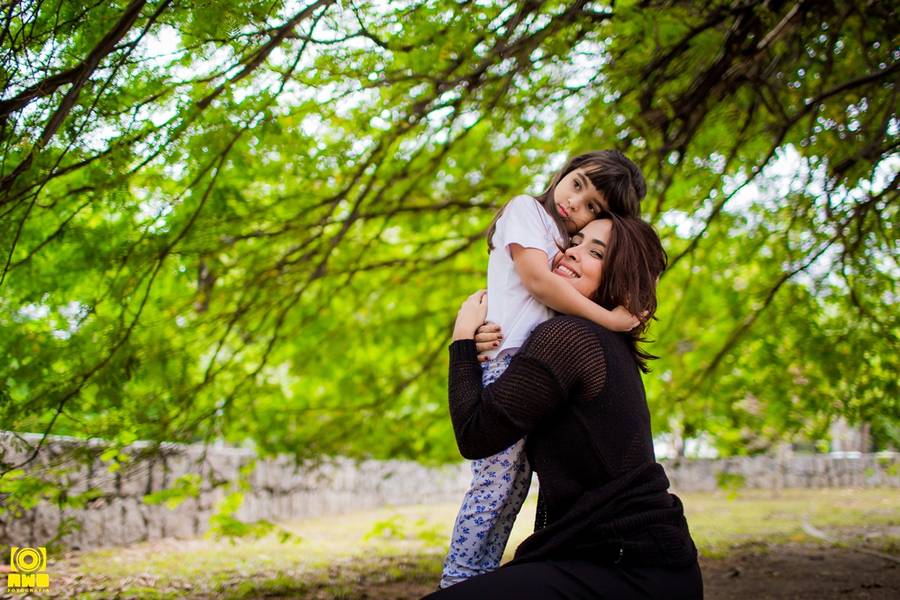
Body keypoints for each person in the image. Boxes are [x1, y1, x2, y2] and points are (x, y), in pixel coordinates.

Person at [426, 214, 703, 599]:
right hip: (624, 561)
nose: (571, 252)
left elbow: (475, 435)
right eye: (575, 241)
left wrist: (461, 340)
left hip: (630, 570)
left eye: (595, 252)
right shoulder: (596, 339)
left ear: (619, 276)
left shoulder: (569, 338)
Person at [440, 151, 648, 588]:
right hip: (508, 364)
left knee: (513, 489)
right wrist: (611, 318)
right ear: (563, 173)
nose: (575, 204)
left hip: (525, 366)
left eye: (594, 207)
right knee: (494, 488)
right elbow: (536, 283)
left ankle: (479, 573)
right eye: (576, 185)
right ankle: (460, 577)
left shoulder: (560, 245)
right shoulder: (527, 211)